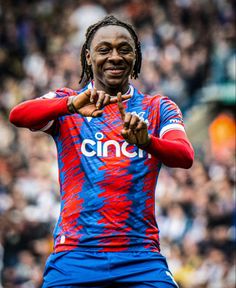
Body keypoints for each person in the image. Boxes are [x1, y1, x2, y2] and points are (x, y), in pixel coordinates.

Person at [9, 15, 194, 288]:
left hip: (140, 258)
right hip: (75, 254)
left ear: (136, 55)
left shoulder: (158, 108)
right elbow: (18, 115)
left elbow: (185, 155)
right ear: (88, 56)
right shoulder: (67, 102)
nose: (115, 57)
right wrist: (70, 105)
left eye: (124, 49)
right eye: (104, 49)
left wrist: (147, 142)